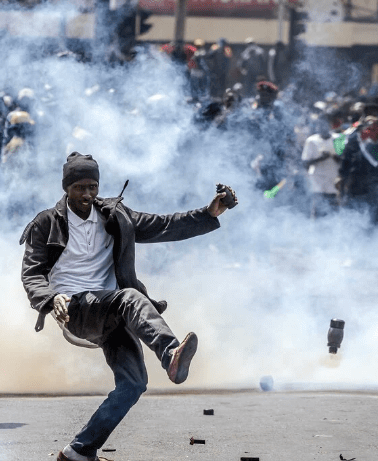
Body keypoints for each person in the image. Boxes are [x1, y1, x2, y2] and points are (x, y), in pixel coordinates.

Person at [20, 153, 232, 461]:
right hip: (76, 309)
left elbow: (164, 225)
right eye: (79, 187)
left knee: (133, 384)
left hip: (113, 312)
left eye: (92, 186)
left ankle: (79, 451)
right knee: (130, 297)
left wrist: (209, 213)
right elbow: (32, 273)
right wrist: (52, 299)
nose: (87, 195)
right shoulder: (45, 223)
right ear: (66, 187)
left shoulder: (115, 214)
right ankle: (170, 352)